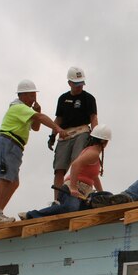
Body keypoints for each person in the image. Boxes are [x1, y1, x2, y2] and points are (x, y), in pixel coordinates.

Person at [0, 79, 68, 225]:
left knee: (13, 182)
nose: (33, 100)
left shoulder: (25, 111)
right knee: (5, 179)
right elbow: (40, 118)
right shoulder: (18, 107)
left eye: (34, 96)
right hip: (8, 142)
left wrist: (37, 111)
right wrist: (57, 129)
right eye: (31, 96)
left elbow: (36, 127)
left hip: (14, 145)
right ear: (22, 95)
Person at [19, 124, 112, 220]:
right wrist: (73, 188)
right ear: (105, 141)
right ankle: (31, 215)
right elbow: (75, 165)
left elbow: (94, 177)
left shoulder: (93, 153)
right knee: (71, 208)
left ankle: (88, 203)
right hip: (71, 189)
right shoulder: (93, 153)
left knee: (107, 196)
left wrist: (101, 193)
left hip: (85, 193)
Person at [48, 67, 98, 200]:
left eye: (81, 83)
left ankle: (78, 194)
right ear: (69, 83)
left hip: (82, 131)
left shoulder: (89, 98)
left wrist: (96, 135)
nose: (79, 87)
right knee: (59, 169)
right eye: (76, 84)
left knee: (79, 162)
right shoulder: (63, 99)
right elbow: (58, 119)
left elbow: (93, 118)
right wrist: (52, 135)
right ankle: (57, 200)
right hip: (65, 134)